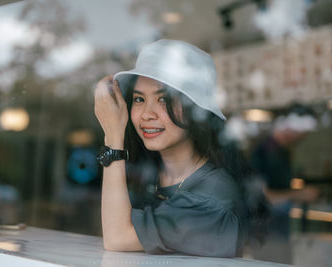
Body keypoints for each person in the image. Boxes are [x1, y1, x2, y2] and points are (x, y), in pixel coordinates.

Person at [94, 39, 269, 257]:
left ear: (195, 108)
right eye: (139, 99)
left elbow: (118, 238)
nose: (147, 114)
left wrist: (113, 135)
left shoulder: (210, 199)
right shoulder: (151, 173)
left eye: (163, 99)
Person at [250, 104, 319, 263]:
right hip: (266, 237)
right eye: (303, 132)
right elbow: (262, 196)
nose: (304, 137)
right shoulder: (264, 152)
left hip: (280, 233)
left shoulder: (283, 151)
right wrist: (300, 194)